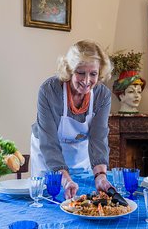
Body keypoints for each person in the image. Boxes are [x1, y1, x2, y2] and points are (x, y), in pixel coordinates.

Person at [30, 40, 113, 199]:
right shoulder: (49, 91)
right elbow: (49, 142)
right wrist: (66, 180)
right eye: (81, 72)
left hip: (78, 153)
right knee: (47, 199)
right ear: (69, 70)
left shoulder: (102, 95)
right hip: (47, 154)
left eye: (93, 74)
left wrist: (101, 175)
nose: (87, 80)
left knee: (81, 200)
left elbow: (98, 138)